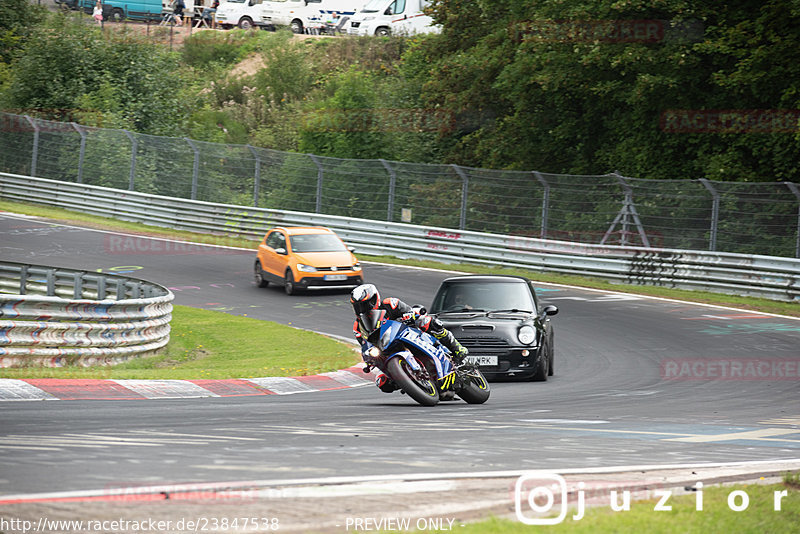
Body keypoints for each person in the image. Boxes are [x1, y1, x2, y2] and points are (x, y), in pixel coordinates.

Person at [350, 284, 469, 393]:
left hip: (409, 333)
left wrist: (411, 314)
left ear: (375, 299)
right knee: (382, 383)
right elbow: (365, 345)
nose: (362, 309)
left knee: (428, 322)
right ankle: (414, 383)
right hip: (386, 350)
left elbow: (411, 311)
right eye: (358, 306)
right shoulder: (358, 327)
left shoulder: (390, 303)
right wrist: (369, 358)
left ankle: (456, 348)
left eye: (365, 304)